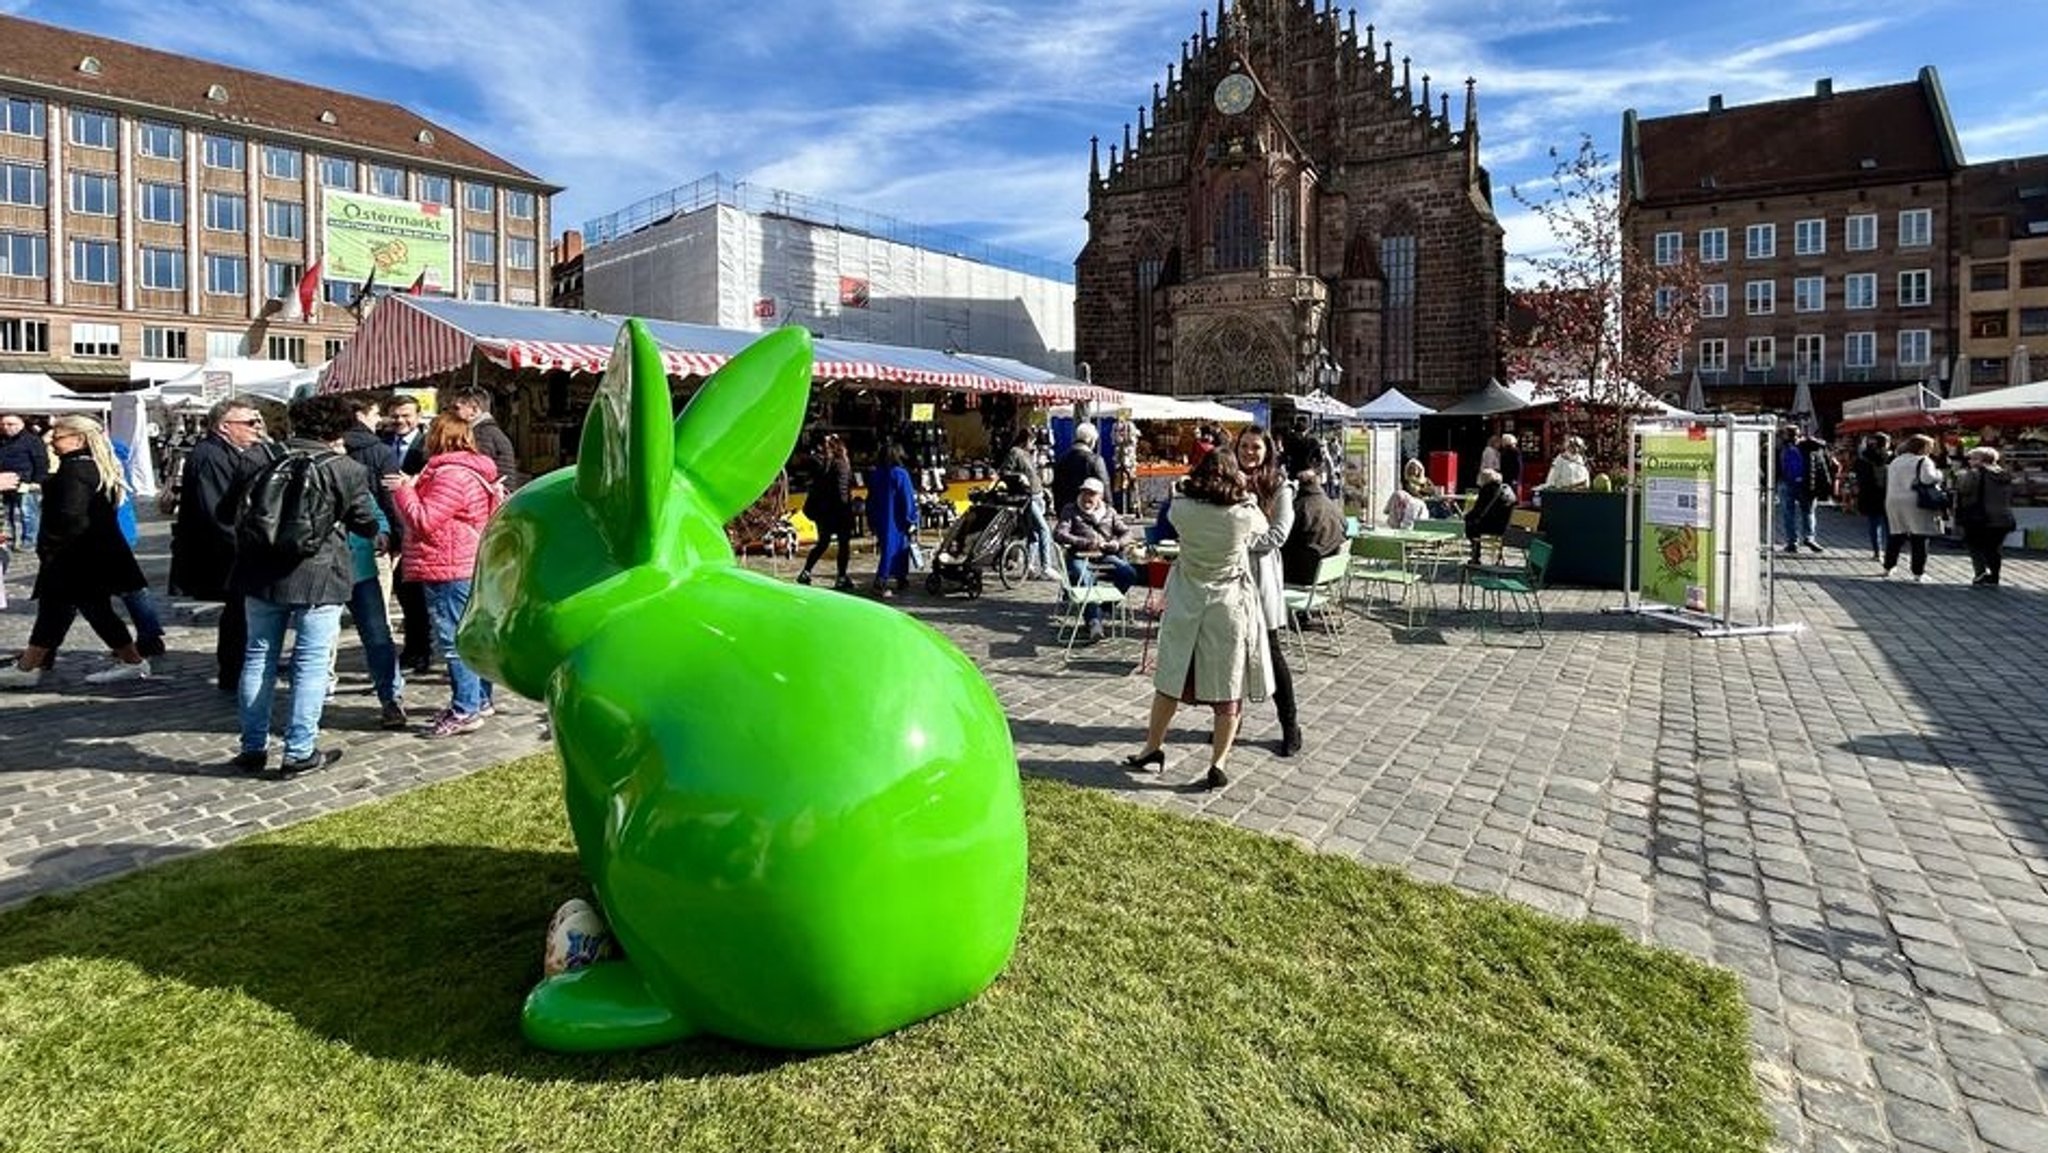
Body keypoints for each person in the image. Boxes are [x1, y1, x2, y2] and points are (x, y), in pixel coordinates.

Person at [230, 395, 379, 778]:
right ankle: (298, 750)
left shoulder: (258, 457)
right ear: (338, 429)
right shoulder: (345, 468)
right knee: (310, 663)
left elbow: (229, 510)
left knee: (258, 657)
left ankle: (252, 746)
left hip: (260, 570)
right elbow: (366, 522)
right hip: (318, 573)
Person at [1119, 447, 1271, 791]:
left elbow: (1173, 512)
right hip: (1227, 604)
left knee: (1171, 677)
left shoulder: (1182, 507)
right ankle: (1218, 762)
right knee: (1228, 686)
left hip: (1187, 599)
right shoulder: (1243, 513)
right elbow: (1263, 526)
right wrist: (1243, 489)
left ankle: (1152, 747)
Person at [0, 416, 152, 689]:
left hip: (76, 557)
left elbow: (71, 515)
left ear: (78, 439)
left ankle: (131, 661)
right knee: (61, 611)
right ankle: (31, 664)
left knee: (88, 610)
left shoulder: (76, 470)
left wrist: (51, 546)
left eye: (57, 436)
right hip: (86, 556)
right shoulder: (90, 467)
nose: (51, 441)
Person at [388, 414, 503, 737]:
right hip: (464, 561)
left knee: (455, 641)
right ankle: (479, 700)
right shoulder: (468, 469)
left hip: (450, 565)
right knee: (473, 636)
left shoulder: (450, 475)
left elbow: (425, 520)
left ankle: (465, 709)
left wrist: (404, 491)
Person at [168, 395, 279, 692]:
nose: (257, 428)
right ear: (225, 426)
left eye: (258, 422)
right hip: (225, 551)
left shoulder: (234, 451)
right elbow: (218, 512)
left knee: (241, 610)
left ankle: (239, 666)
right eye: (250, 422)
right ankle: (234, 670)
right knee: (239, 611)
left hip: (233, 548)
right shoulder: (210, 456)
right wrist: (249, 549)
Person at [1236, 426, 1301, 758]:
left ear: (1267, 451)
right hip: (1230, 578)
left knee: (1272, 654)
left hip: (1260, 577)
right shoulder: (1228, 480)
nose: (1249, 452)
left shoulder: (1279, 487)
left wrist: (1241, 543)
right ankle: (1229, 723)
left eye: (1256, 447)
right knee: (1231, 657)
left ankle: (1290, 725)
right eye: (1244, 446)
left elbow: (1279, 534)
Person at [1053, 476, 1137, 643]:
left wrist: (1117, 543)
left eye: (1091, 494)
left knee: (1129, 573)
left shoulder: (1110, 512)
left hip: (1106, 556)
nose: (1087, 497)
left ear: (1100, 496)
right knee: (1083, 577)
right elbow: (1059, 534)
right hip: (1080, 555)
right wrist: (1084, 542)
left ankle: (1101, 608)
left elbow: (1128, 533)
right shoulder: (1071, 510)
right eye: (1084, 492)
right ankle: (1094, 622)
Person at [109, 438, 167, 658]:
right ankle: (148, 637)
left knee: (92, 600)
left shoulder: (100, 464)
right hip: (119, 532)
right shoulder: (114, 459)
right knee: (130, 589)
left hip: (108, 536)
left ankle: (138, 645)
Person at [797, 434, 857, 590]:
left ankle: (806, 572)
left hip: (824, 512)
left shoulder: (824, 464)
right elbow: (842, 490)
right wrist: (846, 509)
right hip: (839, 511)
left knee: (823, 543)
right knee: (844, 544)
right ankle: (841, 577)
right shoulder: (841, 464)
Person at [1882, 434, 1943, 583]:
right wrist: (1939, 475)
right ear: (1923, 447)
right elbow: (1927, 479)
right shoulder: (1923, 460)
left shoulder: (1896, 460)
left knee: (1896, 534)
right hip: (1915, 501)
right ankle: (1918, 572)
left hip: (1893, 500)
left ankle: (1888, 566)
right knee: (1919, 536)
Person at [1954, 446, 2017, 587]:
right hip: (2003, 517)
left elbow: (1964, 489)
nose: (1970, 461)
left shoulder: (1975, 473)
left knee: (1974, 544)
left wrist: (1961, 476)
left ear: (1982, 460)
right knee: (1994, 548)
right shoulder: (2004, 473)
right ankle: (1994, 576)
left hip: (1980, 516)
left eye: (1973, 458)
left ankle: (1980, 572)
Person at [1001, 426, 1056, 579]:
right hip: (1027, 497)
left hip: (1037, 496)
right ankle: (1046, 566)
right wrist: (1018, 477)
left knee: (1033, 534)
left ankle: (1029, 566)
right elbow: (1004, 472)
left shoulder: (1028, 454)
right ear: (1025, 440)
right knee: (1044, 529)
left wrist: (1043, 490)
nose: (1033, 444)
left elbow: (1033, 475)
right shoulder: (1015, 452)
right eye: (1032, 441)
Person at [867, 443, 917, 599]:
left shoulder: (875, 474)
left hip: (880, 517)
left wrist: (871, 519)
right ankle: (881, 581)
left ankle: (901, 578)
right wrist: (912, 518)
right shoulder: (900, 474)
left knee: (891, 548)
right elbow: (907, 498)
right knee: (895, 549)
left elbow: (871, 499)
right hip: (896, 519)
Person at [1282, 467, 1348, 585]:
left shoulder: (1299, 507)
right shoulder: (1333, 505)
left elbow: (1284, 538)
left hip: (1304, 573)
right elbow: (1346, 528)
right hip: (1330, 573)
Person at [449, 387, 523, 490]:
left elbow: (478, 470)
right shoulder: (488, 431)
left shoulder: (482, 434)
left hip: (495, 497)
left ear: (474, 410)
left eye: (457, 408)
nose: (453, 413)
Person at [0, 411, 49, 550]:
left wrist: (37, 481)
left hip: (26, 481)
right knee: (9, 514)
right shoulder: (2, 440)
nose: (6, 427)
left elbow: (41, 461)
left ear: (21, 424)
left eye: (10, 424)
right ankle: (14, 540)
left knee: (28, 513)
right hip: (6, 483)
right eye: (3, 424)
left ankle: (29, 542)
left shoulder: (32, 440)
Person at [1051, 421, 1109, 516]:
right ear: (1091, 440)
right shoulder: (1095, 460)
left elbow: (1056, 488)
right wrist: (1108, 511)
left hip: (1066, 512)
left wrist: (1059, 512)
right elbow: (1104, 487)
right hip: (1089, 512)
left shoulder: (1062, 459)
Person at [1791, 429, 1836, 553]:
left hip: (1795, 483)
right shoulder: (1820, 449)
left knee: (1790, 513)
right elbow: (1828, 468)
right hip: (1812, 486)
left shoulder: (1797, 449)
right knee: (1809, 512)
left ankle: (1792, 541)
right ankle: (1809, 537)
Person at [1851, 435, 1891, 561]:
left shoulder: (1862, 458)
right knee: (1890, 525)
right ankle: (1891, 551)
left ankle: (1877, 552)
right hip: (1888, 493)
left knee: (1874, 524)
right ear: (1886, 444)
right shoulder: (1891, 457)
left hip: (1869, 494)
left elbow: (1856, 477)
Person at [1464, 467, 1515, 563]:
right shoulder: (1506, 489)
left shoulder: (1487, 490)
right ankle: (1498, 555)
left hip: (1492, 526)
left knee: (1471, 526)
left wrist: (1467, 516)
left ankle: (1475, 556)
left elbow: (1478, 510)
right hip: (1505, 527)